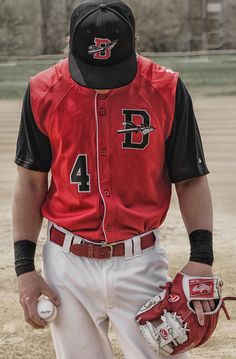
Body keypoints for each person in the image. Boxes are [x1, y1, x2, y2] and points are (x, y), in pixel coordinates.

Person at [12, 0, 215, 358]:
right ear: (70, 46)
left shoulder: (166, 88)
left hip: (140, 260)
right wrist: (25, 269)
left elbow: (190, 177)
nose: (102, 87)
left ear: (133, 46)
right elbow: (30, 183)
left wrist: (202, 257)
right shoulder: (44, 90)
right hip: (66, 264)